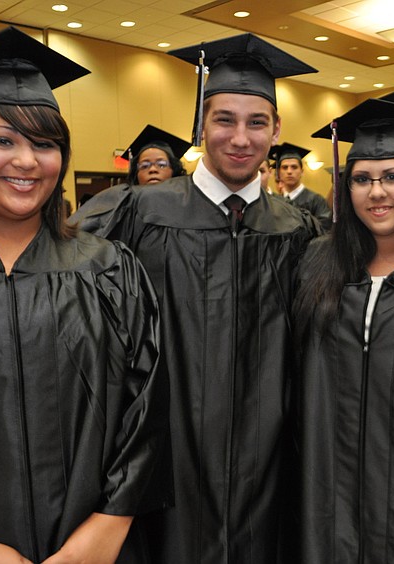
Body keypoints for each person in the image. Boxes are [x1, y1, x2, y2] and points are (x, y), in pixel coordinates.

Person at [0, 27, 165, 562]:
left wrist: (106, 530)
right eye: (3, 140)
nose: (27, 161)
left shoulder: (109, 268)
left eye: (45, 144)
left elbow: (148, 409)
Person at [93, 33, 321, 562]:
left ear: (276, 130)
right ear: (201, 125)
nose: (240, 138)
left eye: (256, 123)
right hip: (166, 468)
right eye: (224, 120)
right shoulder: (138, 213)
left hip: (269, 473)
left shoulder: (299, 230)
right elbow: (46, 262)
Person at [293, 98, 394, 563]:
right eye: (362, 179)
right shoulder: (316, 265)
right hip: (323, 508)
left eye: (392, 177)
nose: (376, 192)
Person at [70, 124, 190, 236]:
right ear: (136, 174)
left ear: (173, 170)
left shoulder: (188, 205)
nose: (153, 169)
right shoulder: (121, 207)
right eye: (145, 166)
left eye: (161, 165)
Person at [270, 142, 332, 231]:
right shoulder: (275, 201)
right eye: (285, 167)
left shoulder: (316, 200)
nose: (289, 171)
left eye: (294, 167)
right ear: (279, 173)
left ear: (302, 172)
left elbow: (324, 229)